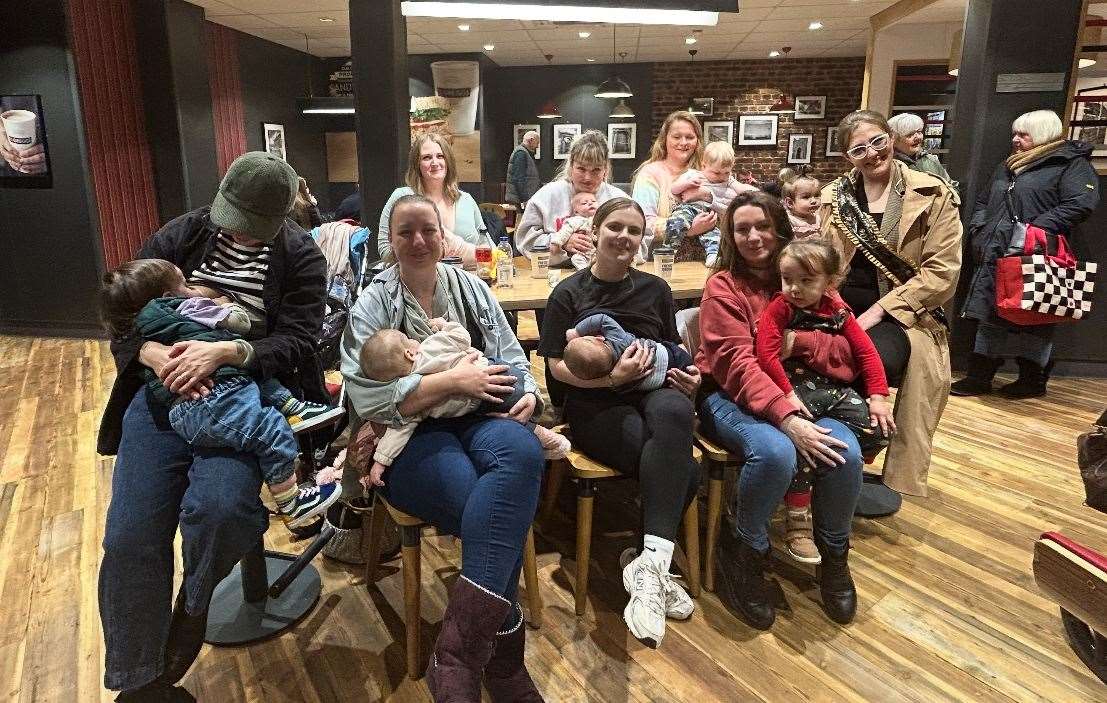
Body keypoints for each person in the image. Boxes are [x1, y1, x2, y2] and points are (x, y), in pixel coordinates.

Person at [96, 152, 328, 701]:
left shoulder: (300, 256)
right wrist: (151, 353)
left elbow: (299, 340)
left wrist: (229, 350)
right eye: (231, 218)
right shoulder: (181, 235)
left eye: (251, 227)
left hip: (238, 398)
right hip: (159, 399)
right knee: (130, 537)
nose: (236, 235)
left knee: (220, 511)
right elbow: (122, 310)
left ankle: (192, 609)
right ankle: (140, 683)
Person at [340, 193, 546, 700]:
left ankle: (456, 655)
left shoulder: (471, 289)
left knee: (521, 453)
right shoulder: (372, 304)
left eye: (427, 230)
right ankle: (503, 663)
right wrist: (453, 382)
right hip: (410, 432)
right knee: (479, 499)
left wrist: (530, 397)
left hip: (482, 415)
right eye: (406, 231)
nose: (418, 241)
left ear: (442, 234)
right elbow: (365, 395)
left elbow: (512, 356)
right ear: (389, 240)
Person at [539, 197, 702, 648]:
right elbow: (556, 368)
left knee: (674, 410)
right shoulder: (568, 294)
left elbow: (671, 345)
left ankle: (647, 562)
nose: (625, 237)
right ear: (595, 230)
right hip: (595, 400)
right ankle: (649, 559)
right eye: (615, 227)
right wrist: (612, 378)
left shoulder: (656, 290)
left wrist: (687, 378)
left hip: (653, 388)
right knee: (684, 468)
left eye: (634, 230)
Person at [696, 190, 863, 630]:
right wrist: (785, 418)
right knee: (775, 452)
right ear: (730, 237)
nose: (753, 236)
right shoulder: (723, 287)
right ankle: (743, 551)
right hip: (730, 396)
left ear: (780, 227)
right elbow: (736, 363)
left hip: (809, 393)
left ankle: (834, 556)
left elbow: (849, 352)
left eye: (762, 226)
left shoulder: (809, 277)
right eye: (741, 228)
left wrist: (803, 343)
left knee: (845, 451)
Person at [99, 258, 343, 527]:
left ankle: (295, 410)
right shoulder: (187, 302)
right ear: (168, 295)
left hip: (199, 397)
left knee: (255, 378)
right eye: (186, 284)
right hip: (210, 400)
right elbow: (240, 322)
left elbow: (297, 339)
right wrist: (223, 304)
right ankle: (291, 503)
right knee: (273, 432)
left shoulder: (138, 318)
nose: (192, 288)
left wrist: (228, 352)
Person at [821, 109, 962, 497]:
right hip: (838, 308)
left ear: (891, 139)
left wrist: (878, 311)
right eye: (858, 149)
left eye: (878, 141)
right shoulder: (833, 198)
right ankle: (820, 460)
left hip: (905, 317)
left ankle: (858, 451)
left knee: (861, 361)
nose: (872, 153)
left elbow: (941, 273)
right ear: (848, 157)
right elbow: (822, 262)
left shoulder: (933, 194)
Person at [754, 238, 893, 564]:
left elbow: (865, 350)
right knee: (808, 446)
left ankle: (827, 491)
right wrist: (787, 394)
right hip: (795, 389)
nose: (795, 289)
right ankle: (798, 514)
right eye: (788, 280)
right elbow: (766, 355)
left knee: (881, 429)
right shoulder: (780, 307)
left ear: (829, 283)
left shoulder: (837, 309)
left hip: (831, 389)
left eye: (806, 281)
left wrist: (878, 396)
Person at [955, 110, 1099, 399]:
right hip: (996, 251)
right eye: (1015, 133)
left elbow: (1082, 202)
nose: (1016, 140)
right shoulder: (1008, 166)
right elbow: (985, 200)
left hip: (1037, 254)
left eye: (1023, 134)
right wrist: (979, 228)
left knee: (1037, 313)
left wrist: (1036, 229)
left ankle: (1032, 379)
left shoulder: (1069, 164)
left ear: (1043, 134)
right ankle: (979, 375)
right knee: (989, 312)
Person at [359, 319, 569, 487]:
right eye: (409, 339)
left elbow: (398, 431)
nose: (415, 340)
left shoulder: (410, 395)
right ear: (410, 352)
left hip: (490, 387)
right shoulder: (429, 347)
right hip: (497, 380)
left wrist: (380, 461)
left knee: (509, 417)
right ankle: (540, 434)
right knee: (509, 414)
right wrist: (444, 325)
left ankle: (539, 433)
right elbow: (461, 337)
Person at [515, 129, 628, 268]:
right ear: (571, 166)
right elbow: (525, 242)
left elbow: (638, 242)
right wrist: (562, 243)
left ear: (606, 169)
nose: (587, 177)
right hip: (553, 274)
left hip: (607, 275)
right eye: (581, 169)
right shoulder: (546, 196)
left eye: (596, 170)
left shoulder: (619, 200)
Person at [377, 133, 492, 266]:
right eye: (426, 157)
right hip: (416, 283)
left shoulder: (466, 200)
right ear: (417, 165)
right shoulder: (402, 198)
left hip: (466, 281)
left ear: (448, 161)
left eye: (440, 156)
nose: (434, 162)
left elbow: (491, 251)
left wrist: (459, 247)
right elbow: (384, 250)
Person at [632, 110, 716, 262]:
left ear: (697, 141)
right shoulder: (650, 173)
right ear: (665, 139)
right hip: (662, 262)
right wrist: (689, 229)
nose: (683, 143)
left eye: (690, 137)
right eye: (676, 137)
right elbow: (643, 223)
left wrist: (708, 196)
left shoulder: (707, 172)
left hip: (704, 261)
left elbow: (726, 211)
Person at [665, 141, 755, 267]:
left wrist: (734, 183)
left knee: (715, 236)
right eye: (717, 173)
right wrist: (687, 184)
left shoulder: (728, 181)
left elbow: (751, 193)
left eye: (727, 172)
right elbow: (674, 189)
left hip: (711, 214)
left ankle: (712, 257)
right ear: (703, 166)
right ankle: (668, 250)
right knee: (676, 222)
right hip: (690, 209)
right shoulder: (694, 175)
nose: (722, 177)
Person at [562, 312, 695, 392]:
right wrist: (577, 332)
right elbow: (602, 319)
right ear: (599, 338)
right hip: (671, 356)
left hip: (660, 383)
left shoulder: (609, 372)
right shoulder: (618, 338)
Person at [887, 112, 958, 191]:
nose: (917, 137)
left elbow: (951, 185)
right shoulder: (889, 165)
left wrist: (951, 199)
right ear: (895, 140)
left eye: (919, 132)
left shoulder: (931, 160)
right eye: (910, 134)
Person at [551, 191, 598, 270]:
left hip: (597, 253)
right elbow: (564, 232)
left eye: (593, 201)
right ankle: (585, 272)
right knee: (576, 259)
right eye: (584, 203)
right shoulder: (575, 220)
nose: (590, 203)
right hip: (582, 253)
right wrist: (556, 243)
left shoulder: (601, 218)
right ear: (576, 211)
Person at [506, 129, 541, 205]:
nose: (537, 146)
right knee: (521, 217)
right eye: (537, 142)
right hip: (522, 200)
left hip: (524, 198)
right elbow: (518, 178)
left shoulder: (524, 152)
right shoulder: (521, 153)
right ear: (531, 140)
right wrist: (525, 199)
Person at [783, 173, 822, 238]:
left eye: (816, 195)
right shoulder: (789, 221)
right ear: (790, 203)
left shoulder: (817, 218)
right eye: (806, 197)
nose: (814, 201)